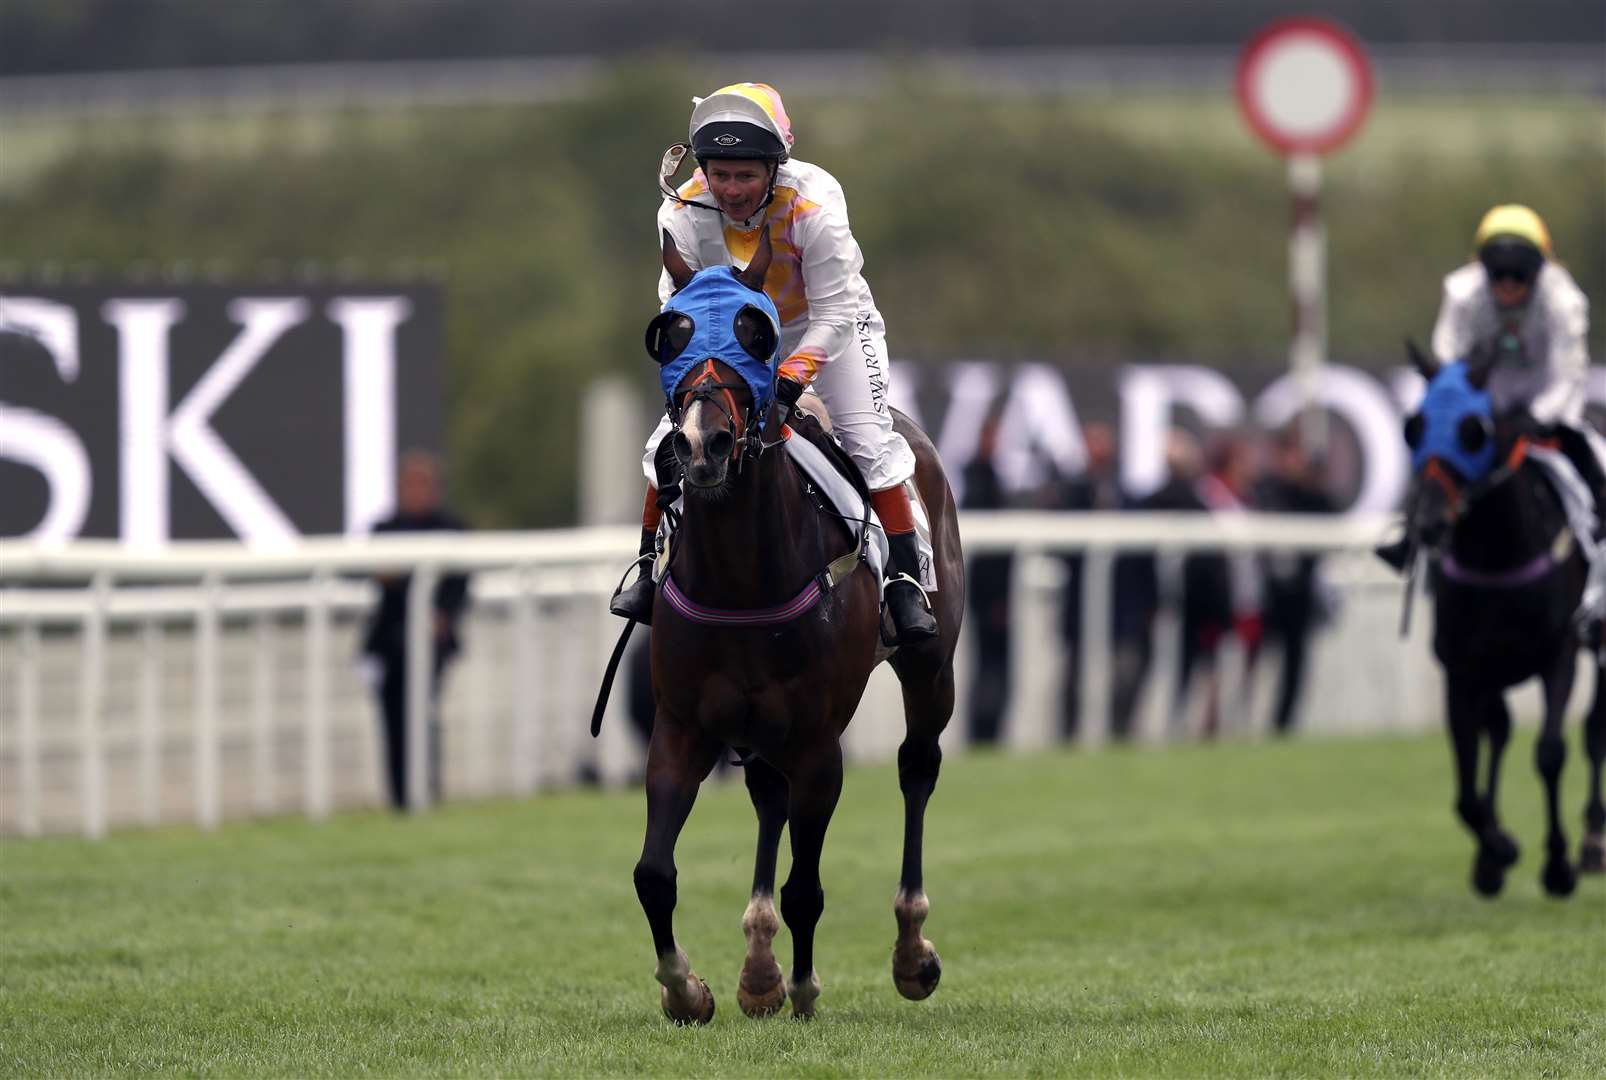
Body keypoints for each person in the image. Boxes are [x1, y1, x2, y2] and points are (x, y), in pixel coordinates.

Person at [609, 82, 937, 644]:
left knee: (867, 437)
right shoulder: (681, 211)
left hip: (825, 323)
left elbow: (833, 313)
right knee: (664, 443)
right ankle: (646, 565)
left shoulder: (816, 208)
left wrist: (790, 377)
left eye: (746, 175)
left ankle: (907, 577)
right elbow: (678, 310)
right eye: (720, 174)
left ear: (774, 170)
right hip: (731, 335)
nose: (731, 189)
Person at [1378, 205, 1597, 589]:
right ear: (1483, 268)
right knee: (1437, 457)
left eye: (1519, 274)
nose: (1508, 285)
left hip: (1544, 407)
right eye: (1498, 273)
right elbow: (1448, 361)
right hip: (1483, 405)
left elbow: (1567, 375)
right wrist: (1474, 405)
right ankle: (1410, 538)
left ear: (1539, 270)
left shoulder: (1565, 304)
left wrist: (1538, 416)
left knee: (1597, 462)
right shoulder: (1462, 294)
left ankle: (1598, 558)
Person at [362, 450, 470, 810]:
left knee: (422, 715)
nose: (416, 491)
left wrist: (442, 617)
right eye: (410, 484)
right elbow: (377, 580)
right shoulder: (383, 529)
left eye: (423, 484)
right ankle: (398, 799)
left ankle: (426, 792)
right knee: (392, 719)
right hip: (388, 645)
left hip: (432, 643)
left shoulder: (452, 528)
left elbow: (460, 585)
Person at [1254, 426, 1338, 735]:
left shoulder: (1312, 495)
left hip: (1299, 594)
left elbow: (1329, 516)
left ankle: (1282, 726)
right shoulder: (1266, 489)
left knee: (1295, 663)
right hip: (1266, 592)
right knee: (1256, 659)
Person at [962, 414, 1013, 745]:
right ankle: (985, 732)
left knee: (990, 665)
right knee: (991, 666)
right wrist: (998, 596)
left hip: (987, 591)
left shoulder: (982, 478)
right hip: (990, 593)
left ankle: (986, 731)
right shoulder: (982, 480)